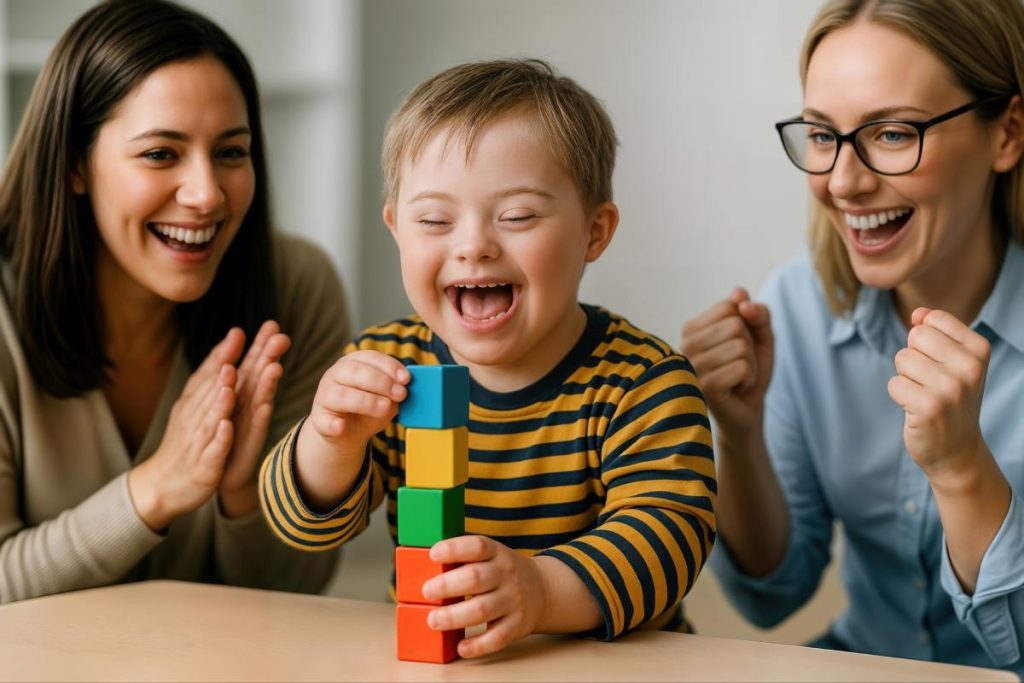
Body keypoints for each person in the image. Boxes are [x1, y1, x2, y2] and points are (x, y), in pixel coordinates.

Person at [259, 59, 716, 659]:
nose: (473, 245)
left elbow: (669, 537)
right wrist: (330, 441)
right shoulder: (391, 367)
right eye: (435, 220)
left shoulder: (644, 384)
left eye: (517, 216)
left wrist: (543, 591)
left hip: (613, 663)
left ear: (594, 232)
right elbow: (303, 527)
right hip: (438, 660)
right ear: (398, 229)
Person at [681, 0, 1024, 673]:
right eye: (820, 134)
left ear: (1007, 132)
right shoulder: (793, 308)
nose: (842, 182)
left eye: (893, 133)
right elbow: (772, 596)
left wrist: (960, 469)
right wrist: (739, 435)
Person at [0, 0, 349, 603]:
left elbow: (297, 589)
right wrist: (157, 488)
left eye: (231, 152)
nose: (207, 193)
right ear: (75, 164)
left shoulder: (297, 286)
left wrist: (245, 498)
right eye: (161, 153)